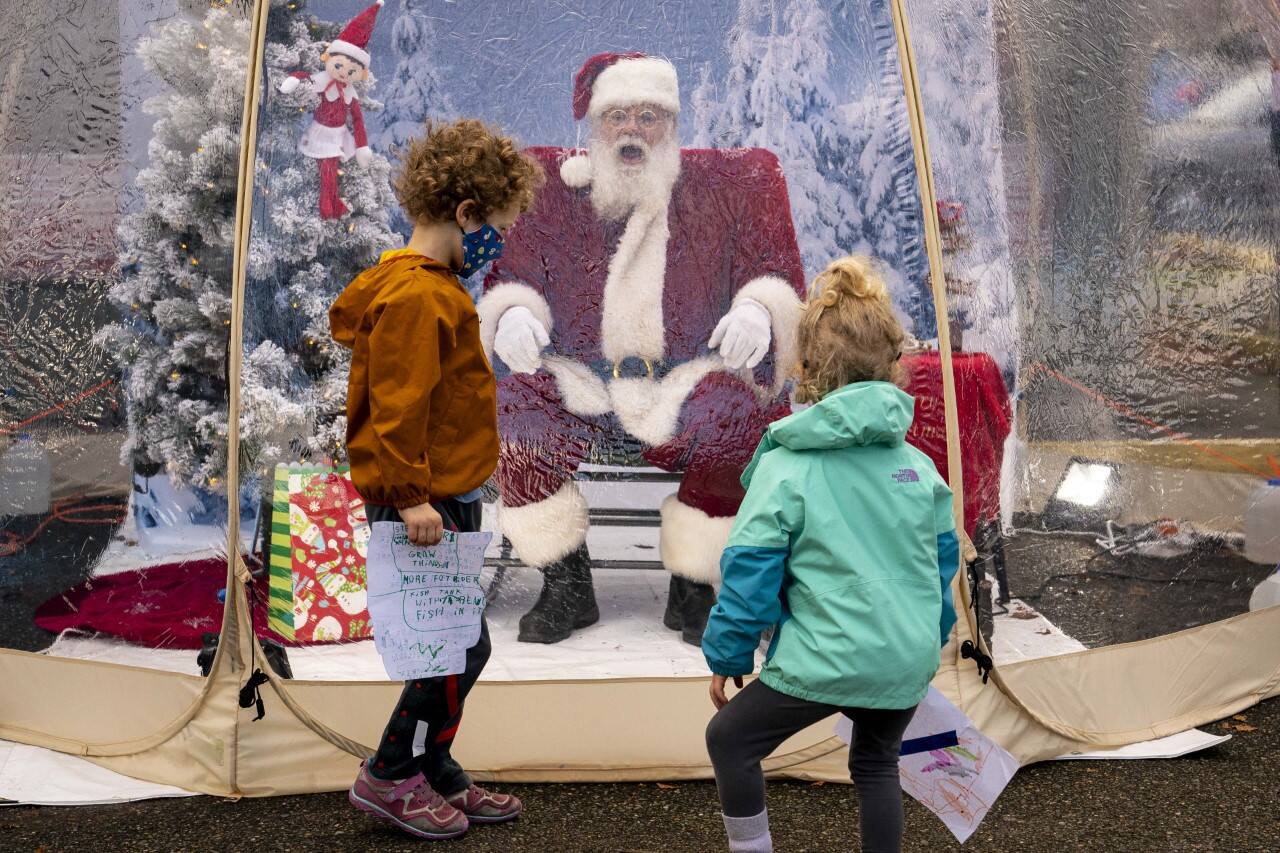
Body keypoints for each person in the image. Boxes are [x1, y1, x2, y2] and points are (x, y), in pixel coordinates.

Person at [477, 52, 806, 645]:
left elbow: (770, 267)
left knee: (738, 411)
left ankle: (697, 583)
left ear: (672, 125)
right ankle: (565, 581)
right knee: (513, 411)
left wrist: (758, 308)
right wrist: (515, 312)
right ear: (596, 125)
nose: (631, 130)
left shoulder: (722, 191)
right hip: (581, 379)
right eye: (618, 116)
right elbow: (516, 272)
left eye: (648, 117)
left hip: (685, 379)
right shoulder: (555, 191)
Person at [701, 256, 961, 853]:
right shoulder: (920, 469)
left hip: (825, 660)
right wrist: (926, 640)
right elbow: (940, 570)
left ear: (807, 369)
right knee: (876, 762)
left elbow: (749, 572)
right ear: (892, 365)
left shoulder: (786, 468)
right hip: (905, 659)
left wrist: (729, 653)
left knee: (730, 740)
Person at [329, 118, 543, 841]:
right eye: (497, 227)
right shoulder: (419, 297)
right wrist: (411, 497)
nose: (497, 242)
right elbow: (395, 408)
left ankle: (433, 765)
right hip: (423, 504)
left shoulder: (435, 289)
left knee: (454, 647)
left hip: (445, 496)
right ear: (467, 213)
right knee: (451, 648)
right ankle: (391, 773)